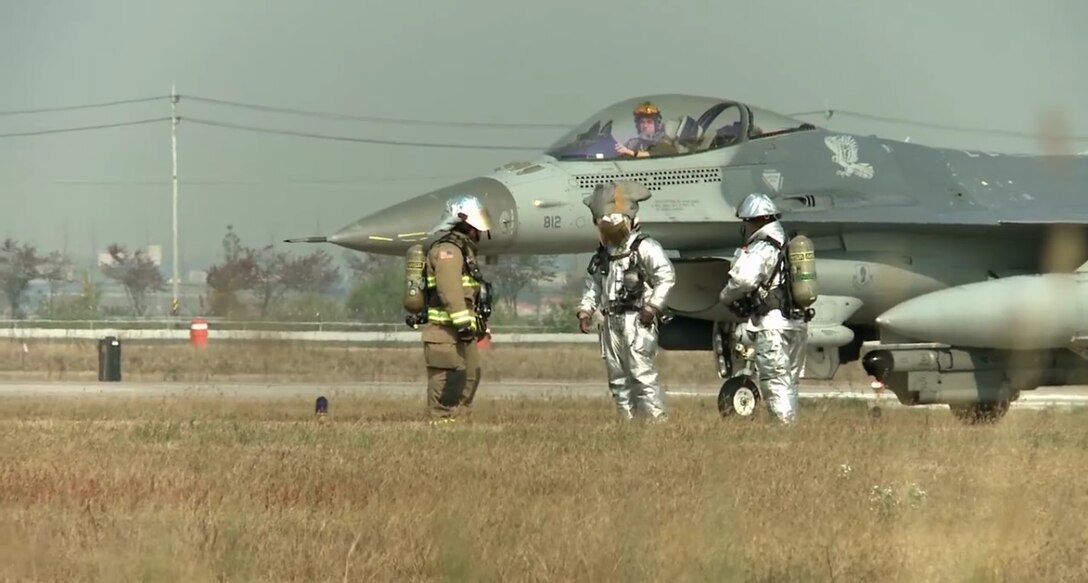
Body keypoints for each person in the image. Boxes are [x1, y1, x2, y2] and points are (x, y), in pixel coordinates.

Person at [576, 180, 676, 421]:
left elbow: (666, 276)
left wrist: (652, 307)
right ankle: (628, 424)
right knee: (618, 378)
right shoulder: (604, 254)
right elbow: (594, 283)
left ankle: (655, 425)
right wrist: (585, 310)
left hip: (637, 320)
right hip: (610, 322)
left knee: (641, 374)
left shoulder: (645, 247)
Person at [718, 192, 809, 424]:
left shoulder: (763, 246)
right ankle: (791, 424)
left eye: (746, 221)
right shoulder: (787, 242)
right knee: (789, 380)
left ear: (755, 220)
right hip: (796, 323)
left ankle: (784, 432)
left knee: (775, 381)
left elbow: (744, 280)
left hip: (771, 325)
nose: (745, 226)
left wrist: (726, 296)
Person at [420, 194, 494, 423]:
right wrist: (463, 322)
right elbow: (449, 289)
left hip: (462, 330)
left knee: (471, 375)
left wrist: (476, 324)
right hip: (445, 330)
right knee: (448, 379)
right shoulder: (448, 251)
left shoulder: (464, 251)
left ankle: (458, 421)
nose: (480, 231)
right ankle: (440, 421)